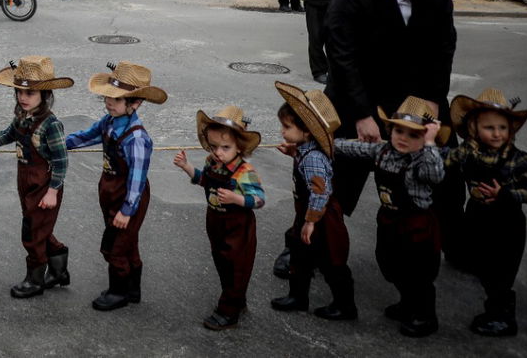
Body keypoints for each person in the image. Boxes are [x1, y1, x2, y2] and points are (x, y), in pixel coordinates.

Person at [323, 0, 462, 221]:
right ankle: (305, 248)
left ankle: (455, 241)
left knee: (446, 173)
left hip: (417, 94)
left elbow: (444, 45)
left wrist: (434, 97)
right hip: (358, 93)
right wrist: (362, 114)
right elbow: (341, 56)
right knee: (334, 179)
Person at [331, 96, 444, 337]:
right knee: (389, 264)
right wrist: (326, 143)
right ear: (390, 130)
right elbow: (353, 148)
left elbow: (436, 175)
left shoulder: (424, 158)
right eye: (399, 131)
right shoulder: (383, 150)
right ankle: (407, 302)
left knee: (418, 273)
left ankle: (425, 315)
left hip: (416, 225)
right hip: (389, 221)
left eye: (414, 135)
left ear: (424, 138)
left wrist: (432, 143)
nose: (404, 138)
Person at [444, 88, 527, 336]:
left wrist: (508, 193)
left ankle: (502, 317)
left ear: (510, 130)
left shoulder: (518, 160)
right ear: (473, 129)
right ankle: (487, 287)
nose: (497, 133)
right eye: (489, 128)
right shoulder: (468, 152)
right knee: (484, 264)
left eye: (502, 127)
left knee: (501, 272)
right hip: (478, 216)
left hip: (506, 225)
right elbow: (444, 160)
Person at [66, 61, 167, 312]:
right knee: (128, 243)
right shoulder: (108, 122)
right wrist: (59, 144)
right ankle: (133, 289)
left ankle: (118, 291)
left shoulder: (137, 138)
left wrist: (127, 210)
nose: (109, 102)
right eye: (107, 97)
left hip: (127, 199)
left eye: (117, 98)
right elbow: (85, 136)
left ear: (135, 103)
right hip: (110, 192)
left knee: (114, 246)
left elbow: (137, 178)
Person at [0, 56, 73, 299]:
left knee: (32, 233)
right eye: (19, 91)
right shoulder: (22, 116)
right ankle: (59, 269)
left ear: (44, 94)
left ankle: (35, 280)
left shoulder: (51, 124)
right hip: (26, 183)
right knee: (39, 228)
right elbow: (8, 134)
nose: (23, 97)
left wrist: (53, 190)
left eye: (30, 93)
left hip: (44, 186)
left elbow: (61, 161)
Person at [172, 105, 265, 330]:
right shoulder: (212, 162)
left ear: (240, 147)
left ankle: (228, 311)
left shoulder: (245, 171)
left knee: (236, 267)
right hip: (215, 222)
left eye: (225, 147)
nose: (218, 152)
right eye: (214, 147)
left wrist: (237, 199)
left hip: (238, 227)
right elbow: (204, 179)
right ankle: (236, 300)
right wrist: (186, 167)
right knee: (222, 264)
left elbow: (260, 199)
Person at [271, 82, 356, 322]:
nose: (282, 132)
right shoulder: (305, 151)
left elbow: (320, 191)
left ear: (307, 131)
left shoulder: (314, 159)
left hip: (321, 218)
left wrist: (310, 222)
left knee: (331, 261)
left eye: (286, 127)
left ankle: (345, 305)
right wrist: (293, 153)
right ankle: (298, 296)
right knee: (300, 256)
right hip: (308, 214)